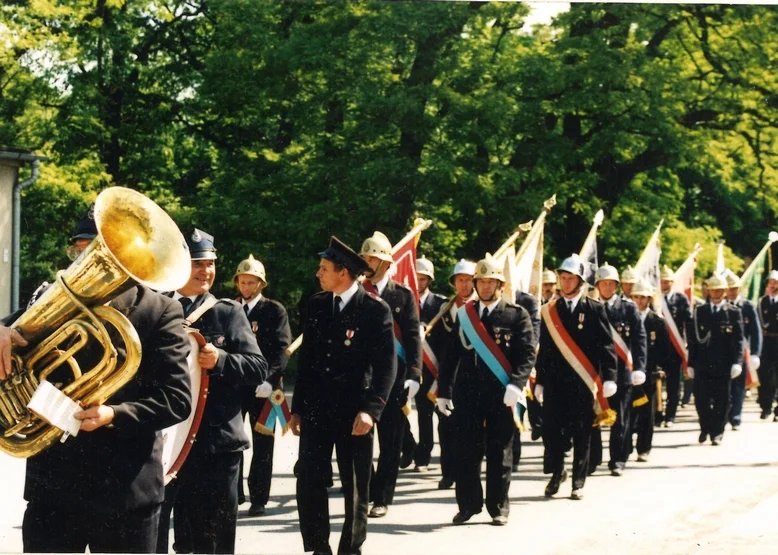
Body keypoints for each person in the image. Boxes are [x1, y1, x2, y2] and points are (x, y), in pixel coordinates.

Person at [2, 206, 193, 554]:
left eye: (97, 249)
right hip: (54, 490)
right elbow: (9, 334)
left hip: (125, 493)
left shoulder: (160, 311)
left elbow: (176, 399)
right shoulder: (48, 299)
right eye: (79, 249)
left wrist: (114, 415)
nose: (85, 259)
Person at [157, 229, 267, 555]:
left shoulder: (227, 312)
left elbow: (257, 367)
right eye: (196, 263)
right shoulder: (157, 308)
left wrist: (222, 360)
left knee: (214, 541)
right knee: (156, 535)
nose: (205, 271)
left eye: (210, 263)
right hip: (164, 443)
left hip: (215, 446)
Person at [290, 236, 396, 555]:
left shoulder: (375, 310)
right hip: (317, 412)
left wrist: (372, 410)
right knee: (309, 479)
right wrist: (297, 410)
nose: (318, 273)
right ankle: (318, 545)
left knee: (354, 486)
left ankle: (350, 548)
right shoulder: (317, 304)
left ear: (343, 273)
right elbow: (307, 360)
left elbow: (386, 367)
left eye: (324, 268)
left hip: (355, 413)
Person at [436, 254, 535, 525]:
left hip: (501, 392)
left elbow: (527, 355)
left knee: (499, 452)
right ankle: (468, 505)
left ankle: (498, 507)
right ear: (475, 284)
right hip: (467, 393)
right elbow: (451, 355)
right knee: (465, 451)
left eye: (491, 282)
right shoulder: (465, 315)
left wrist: (517, 384)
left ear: (500, 285)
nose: (486, 287)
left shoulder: (517, 315)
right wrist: (444, 391)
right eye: (482, 282)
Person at [535, 254, 617, 500]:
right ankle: (557, 471)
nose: (566, 282)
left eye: (571, 278)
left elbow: (606, 346)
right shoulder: (550, 310)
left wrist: (610, 376)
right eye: (563, 278)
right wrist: (539, 380)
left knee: (582, 432)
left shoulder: (594, 308)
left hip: (582, 382)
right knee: (552, 432)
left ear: (581, 281)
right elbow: (546, 348)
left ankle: (578, 481)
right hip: (555, 383)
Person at [359, 231, 422, 519]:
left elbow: (412, 337)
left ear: (386, 262)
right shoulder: (357, 292)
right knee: (361, 439)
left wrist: (415, 373)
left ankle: (382, 497)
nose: (368, 263)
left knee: (390, 441)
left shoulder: (403, 295)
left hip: (394, 378)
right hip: (362, 378)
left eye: (373, 258)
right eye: (365, 258)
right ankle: (367, 491)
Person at [234, 254, 292, 516]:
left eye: (252, 283)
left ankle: (259, 497)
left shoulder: (273, 310)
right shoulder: (229, 307)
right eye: (243, 282)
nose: (247, 288)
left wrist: (270, 380)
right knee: (232, 441)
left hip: (263, 387)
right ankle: (234, 493)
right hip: (235, 385)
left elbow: (282, 349)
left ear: (261, 284)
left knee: (263, 444)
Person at [590, 263, 646, 477]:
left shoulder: (628, 307)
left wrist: (639, 367)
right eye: (603, 284)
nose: (607, 287)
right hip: (596, 371)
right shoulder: (590, 306)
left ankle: (618, 459)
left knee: (621, 418)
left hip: (622, 371)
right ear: (598, 285)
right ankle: (594, 459)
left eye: (611, 284)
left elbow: (640, 338)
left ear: (617, 285)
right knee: (594, 418)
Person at [428, 258, 478, 490]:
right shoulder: (445, 310)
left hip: (475, 376)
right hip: (448, 376)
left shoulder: (480, 308)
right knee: (446, 427)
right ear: (453, 283)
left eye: (469, 280)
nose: (465, 285)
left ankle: (469, 473)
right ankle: (448, 473)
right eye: (460, 280)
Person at [687, 274, 744, 445]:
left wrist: (737, 362)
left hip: (724, 364)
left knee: (722, 400)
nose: (716, 293)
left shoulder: (733, 312)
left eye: (720, 290)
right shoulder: (699, 311)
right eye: (713, 290)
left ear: (725, 291)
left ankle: (717, 432)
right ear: (709, 291)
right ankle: (705, 426)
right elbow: (693, 340)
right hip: (702, 363)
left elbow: (739, 340)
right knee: (701, 400)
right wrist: (690, 363)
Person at [408, 257, 448, 473]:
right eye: (417, 278)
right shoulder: (407, 302)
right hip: (417, 368)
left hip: (438, 367)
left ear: (430, 280)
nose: (420, 282)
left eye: (424, 279)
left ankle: (446, 461)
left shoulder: (441, 304)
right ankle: (422, 455)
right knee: (423, 414)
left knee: (443, 416)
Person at [629, 279, 670, 461]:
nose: (639, 301)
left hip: (649, 373)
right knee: (628, 412)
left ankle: (644, 449)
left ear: (649, 299)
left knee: (647, 413)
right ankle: (625, 445)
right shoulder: (626, 317)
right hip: (629, 371)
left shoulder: (657, 321)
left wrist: (660, 369)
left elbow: (664, 349)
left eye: (643, 297)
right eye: (636, 297)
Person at [724, 270, 761, 430]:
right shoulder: (722, 306)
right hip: (724, 352)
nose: (731, 292)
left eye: (734, 289)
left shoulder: (747, 306)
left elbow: (756, 330)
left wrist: (755, 353)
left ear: (739, 289)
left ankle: (736, 417)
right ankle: (724, 415)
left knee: (739, 386)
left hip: (742, 351)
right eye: (729, 289)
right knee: (724, 386)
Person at [659, 265, 693, 427]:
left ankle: (670, 416)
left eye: (667, 282)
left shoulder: (680, 299)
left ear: (672, 282)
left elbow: (688, 320)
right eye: (662, 281)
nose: (664, 284)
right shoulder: (654, 297)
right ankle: (657, 413)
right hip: (658, 346)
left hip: (675, 346)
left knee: (673, 384)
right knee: (656, 382)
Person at [512, 285, 540, 468]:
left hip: (519, 361)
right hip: (491, 362)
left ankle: (513, 454)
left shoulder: (526, 301)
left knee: (516, 408)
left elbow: (535, 331)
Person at [756, 270, 778, 420]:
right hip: (766, 342)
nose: (772, 285)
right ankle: (766, 407)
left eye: (775, 283)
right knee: (765, 376)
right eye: (770, 282)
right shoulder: (762, 301)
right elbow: (760, 322)